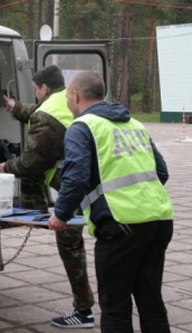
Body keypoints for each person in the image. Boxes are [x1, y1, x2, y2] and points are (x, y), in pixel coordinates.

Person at [49, 71, 174, 332]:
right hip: (159, 219)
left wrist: (60, 214)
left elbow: (76, 176)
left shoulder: (81, 127)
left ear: (75, 95)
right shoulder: (135, 124)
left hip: (121, 225)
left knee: (115, 306)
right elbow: (161, 172)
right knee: (151, 302)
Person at [0, 65, 95, 328]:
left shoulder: (46, 114)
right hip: (98, 183)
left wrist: (8, 166)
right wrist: (15, 106)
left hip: (76, 187)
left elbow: (31, 163)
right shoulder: (66, 99)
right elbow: (38, 112)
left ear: (44, 88)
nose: (35, 95)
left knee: (71, 245)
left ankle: (84, 311)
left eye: (35, 89)